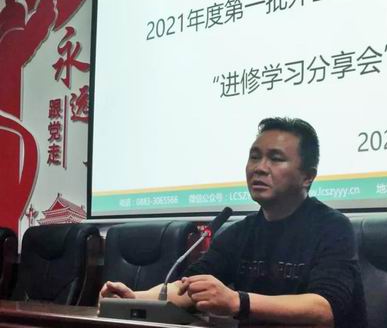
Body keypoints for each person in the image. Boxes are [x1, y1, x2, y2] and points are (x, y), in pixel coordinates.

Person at [100, 117, 367, 327]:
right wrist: (135, 298)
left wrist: (238, 302)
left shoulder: (332, 227)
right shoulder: (239, 233)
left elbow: (324, 309)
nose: (259, 168)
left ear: (307, 176)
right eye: (255, 156)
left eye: (276, 159)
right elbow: (187, 287)